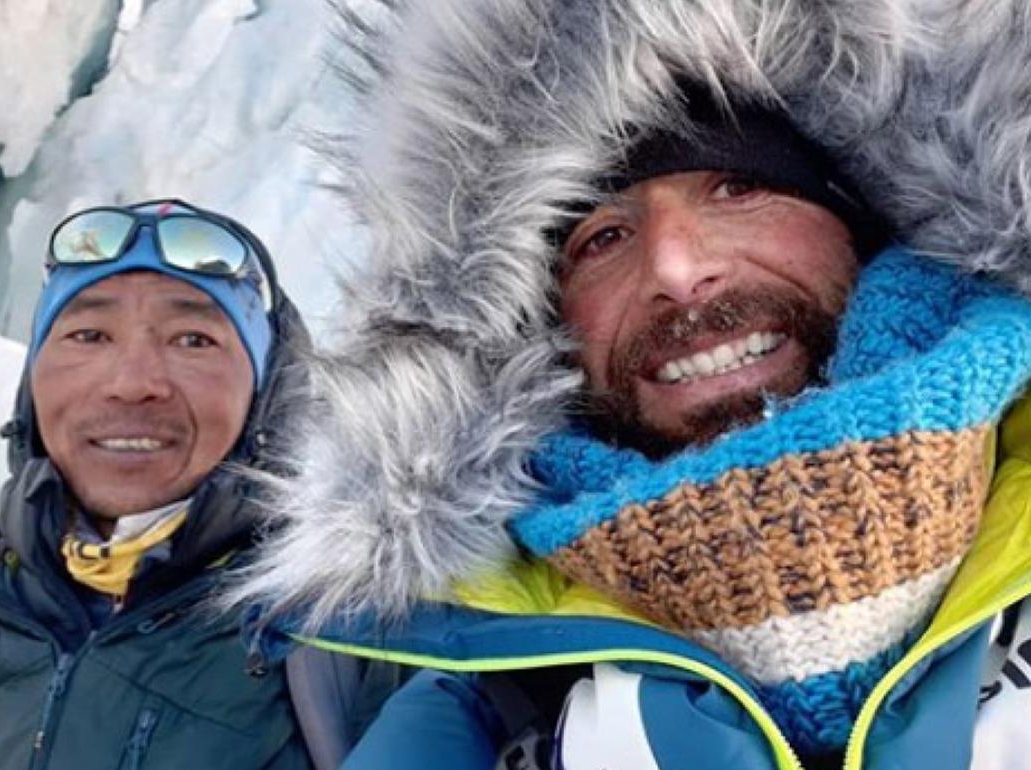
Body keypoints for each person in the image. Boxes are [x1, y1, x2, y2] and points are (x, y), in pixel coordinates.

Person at [229, 2, 1031, 769]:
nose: (679, 272)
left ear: (866, 219)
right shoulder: (475, 713)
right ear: (532, 330)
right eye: (603, 238)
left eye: (738, 189)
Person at [0, 199, 390, 770]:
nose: (131, 382)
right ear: (32, 390)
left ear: (266, 400)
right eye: (89, 336)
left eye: (193, 340)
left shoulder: (353, 634)